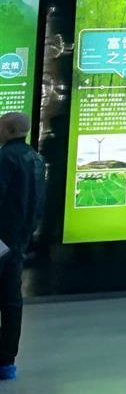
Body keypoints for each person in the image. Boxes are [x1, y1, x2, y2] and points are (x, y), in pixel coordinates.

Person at [0, 112, 45, 382]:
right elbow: (38, 204)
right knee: (11, 300)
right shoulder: (36, 158)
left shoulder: (5, 158)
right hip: (18, 241)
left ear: (9, 129)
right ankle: (7, 362)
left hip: (1, 238)